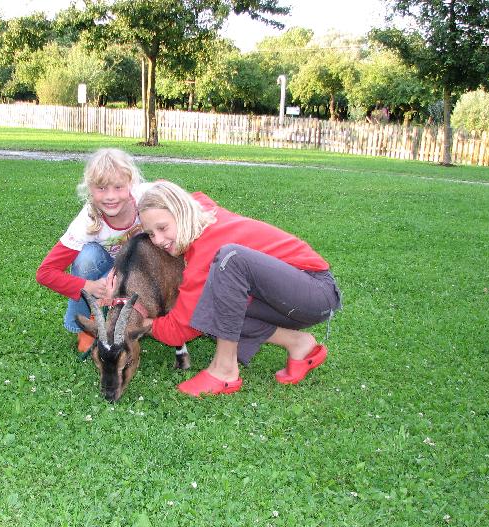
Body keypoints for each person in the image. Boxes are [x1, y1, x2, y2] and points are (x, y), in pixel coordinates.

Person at [137, 181, 341, 397]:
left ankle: (224, 370)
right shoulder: (200, 210)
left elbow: (178, 330)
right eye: (150, 233)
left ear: (182, 212)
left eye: (162, 228)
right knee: (210, 310)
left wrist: (139, 323)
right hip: (286, 300)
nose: (158, 240)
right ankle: (298, 343)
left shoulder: (206, 248)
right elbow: (195, 196)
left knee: (231, 259)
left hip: (317, 292)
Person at [36, 148, 151, 352]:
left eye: (118, 187)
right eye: (101, 188)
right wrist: (88, 286)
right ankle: (87, 327)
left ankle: (143, 319)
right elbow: (45, 273)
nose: (110, 196)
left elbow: (182, 201)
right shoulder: (87, 221)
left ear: (131, 183)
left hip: (140, 268)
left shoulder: (148, 198)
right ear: (89, 188)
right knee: (87, 257)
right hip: (106, 273)